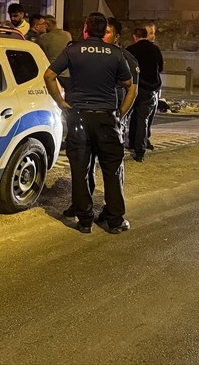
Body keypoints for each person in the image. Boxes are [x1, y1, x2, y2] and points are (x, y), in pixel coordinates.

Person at [44, 12, 136, 234]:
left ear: (86, 29)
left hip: (79, 118)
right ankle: (114, 220)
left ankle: (84, 219)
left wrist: (63, 104)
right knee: (112, 170)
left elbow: (49, 75)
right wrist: (121, 113)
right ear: (105, 30)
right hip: (106, 119)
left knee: (80, 168)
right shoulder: (115, 54)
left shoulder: (73, 50)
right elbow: (130, 86)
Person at [126, 25, 163, 161]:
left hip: (134, 88)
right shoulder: (155, 49)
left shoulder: (130, 50)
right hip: (150, 89)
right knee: (143, 119)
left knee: (125, 116)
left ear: (135, 37)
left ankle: (127, 141)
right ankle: (140, 150)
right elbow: (161, 68)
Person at [107, 17, 141, 149]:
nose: (103, 36)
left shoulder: (125, 57)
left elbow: (132, 90)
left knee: (113, 152)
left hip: (114, 113)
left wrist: (120, 115)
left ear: (117, 37)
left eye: (107, 32)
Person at [37, 14, 72, 87]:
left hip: (53, 73)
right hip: (66, 73)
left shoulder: (44, 37)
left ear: (47, 25)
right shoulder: (67, 35)